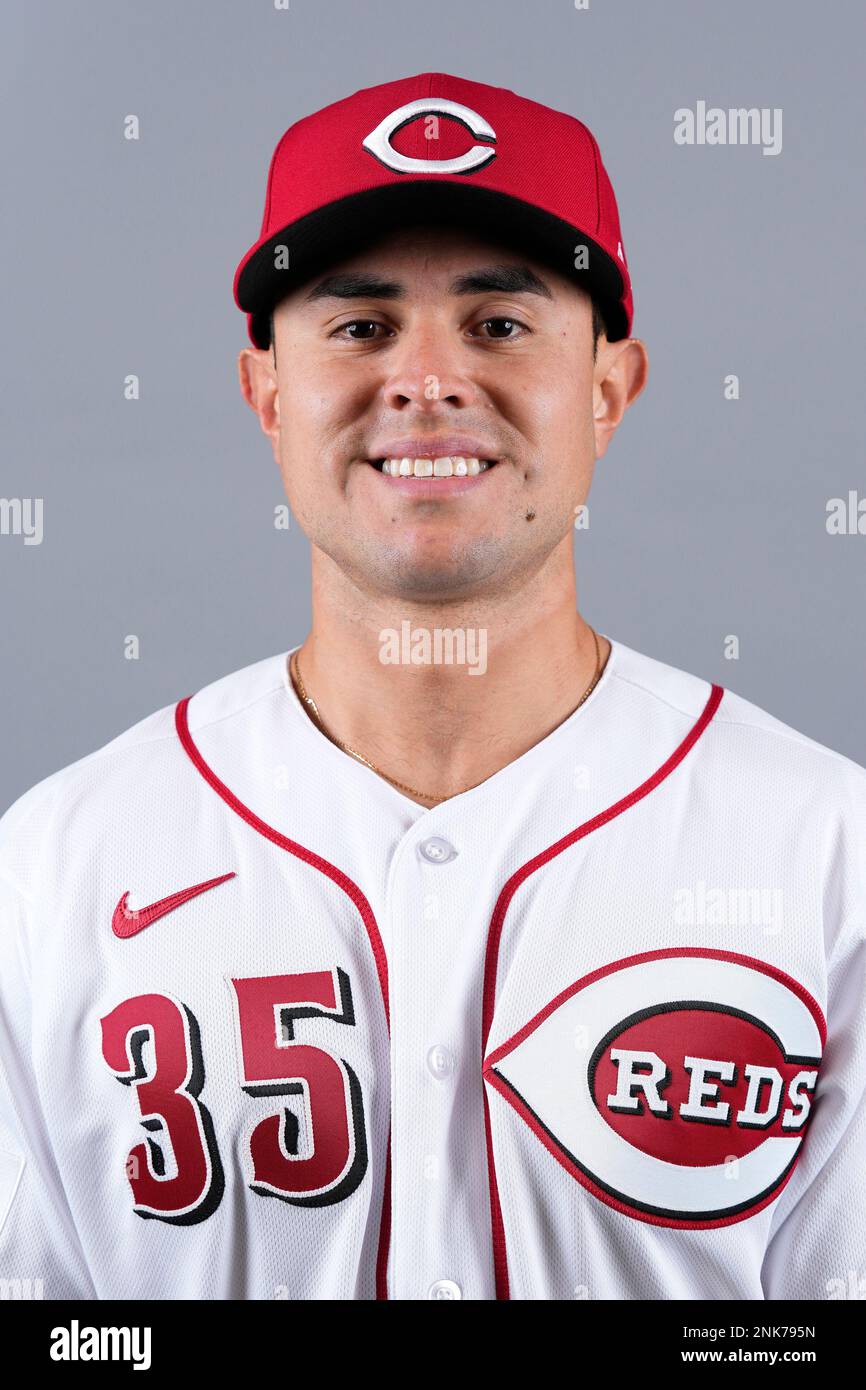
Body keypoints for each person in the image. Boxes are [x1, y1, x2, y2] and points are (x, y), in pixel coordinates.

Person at [1, 73, 863, 1302]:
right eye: (358, 327)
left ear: (611, 388)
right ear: (265, 394)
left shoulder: (826, 855)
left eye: (498, 323)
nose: (425, 380)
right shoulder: (51, 874)